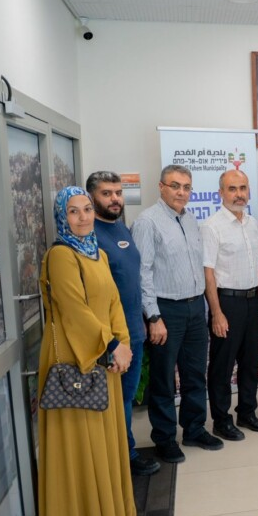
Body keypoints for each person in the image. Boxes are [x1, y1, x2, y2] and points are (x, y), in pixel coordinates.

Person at [37, 186, 135, 516]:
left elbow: (113, 303)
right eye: (73, 211)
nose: (82, 217)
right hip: (74, 361)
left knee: (102, 441)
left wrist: (122, 344)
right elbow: (74, 309)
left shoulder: (97, 253)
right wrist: (110, 346)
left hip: (104, 358)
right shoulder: (60, 256)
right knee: (78, 446)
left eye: (87, 210)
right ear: (62, 217)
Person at [132, 165, 222, 463]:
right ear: (161, 187)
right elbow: (142, 273)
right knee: (164, 379)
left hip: (195, 307)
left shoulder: (191, 219)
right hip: (166, 310)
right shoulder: (147, 222)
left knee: (195, 374)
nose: (181, 192)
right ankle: (165, 438)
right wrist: (153, 317)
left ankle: (194, 430)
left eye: (186, 187)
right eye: (175, 186)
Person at [86, 170, 160, 477]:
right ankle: (119, 459)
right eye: (106, 193)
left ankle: (125, 453)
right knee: (113, 401)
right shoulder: (89, 236)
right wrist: (113, 341)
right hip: (111, 340)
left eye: (118, 192)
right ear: (92, 197)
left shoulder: (121, 228)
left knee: (125, 398)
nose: (115, 199)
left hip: (134, 332)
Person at [201, 170, 258, 441]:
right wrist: (216, 313)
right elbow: (208, 273)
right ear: (221, 193)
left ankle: (247, 412)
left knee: (250, 362)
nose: (239, 194)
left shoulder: (253, 223)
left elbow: (256, 264)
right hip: (226, 302)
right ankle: (221, 420)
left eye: (243, 188)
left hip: (252, 301)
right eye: (232, 189)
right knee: (223, 365)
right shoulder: (212, 226)